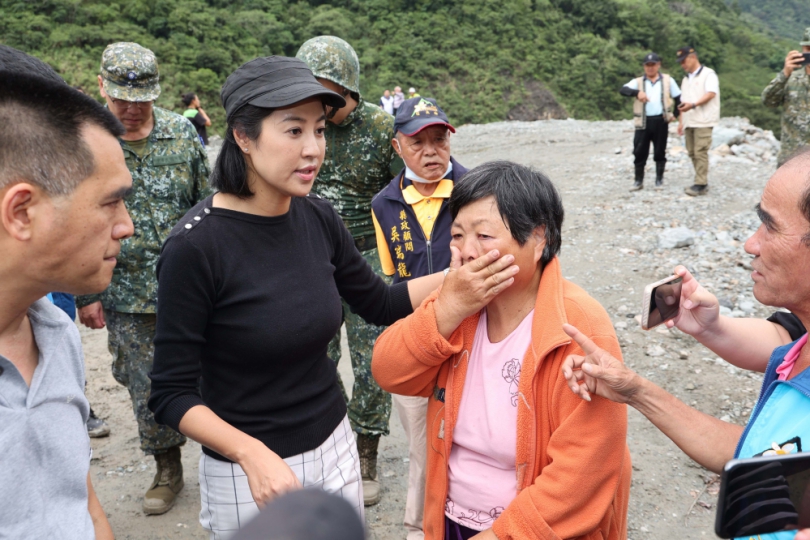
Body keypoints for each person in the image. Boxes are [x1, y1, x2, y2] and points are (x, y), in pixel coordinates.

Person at [147, 55, 512, 539]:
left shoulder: (317, 215)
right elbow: (170, 393)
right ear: (243, 136)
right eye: (293, 131)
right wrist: (249, 453)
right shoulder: (195, 246)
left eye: (319, 130)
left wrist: (460, 277)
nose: (314, 148)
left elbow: (379, 302)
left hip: (333, 444)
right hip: (248, 470)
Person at [373, 161, 631, 540]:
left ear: (538, 238)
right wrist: (447, 308)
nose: (467, 251)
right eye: (458, 235)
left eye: (485, 236)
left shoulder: (578, 325)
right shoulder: (458, 304)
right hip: (451, 517)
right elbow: (389, 370)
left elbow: (584, 470)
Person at [562, 149, 810, 540]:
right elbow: (761, 453)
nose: (750, 244)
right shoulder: (795, 351)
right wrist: (635, 389)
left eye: (770, 227)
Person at [0, 46, 134, 540]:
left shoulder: (54, 330)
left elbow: (78, 498)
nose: (127, 226)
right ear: (22, 212)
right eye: (112, 202)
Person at [75, 41, 211, 516]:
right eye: (120, 99)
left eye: (142, 99)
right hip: (126, 291)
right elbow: (77, 221)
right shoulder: (87, 142)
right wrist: (87, 293)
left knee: (219, 368)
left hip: (194, 285)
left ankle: (229, 453)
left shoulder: (180, 132)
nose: (131, 110)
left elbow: (210, 204)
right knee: (144, 383)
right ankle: (167, 467)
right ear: (101, 87)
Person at [296, 35, 404, 506]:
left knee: (374, 362)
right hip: (309, 262)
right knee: (309, 355)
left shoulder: (382, 128)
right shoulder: (297, 126)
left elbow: (402, 199)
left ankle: (366, 452)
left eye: (328, 92)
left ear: (349, 86)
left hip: (367, 263)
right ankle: (326, 437)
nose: (319, 102)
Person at [371, 96, 467, 540]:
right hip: (415, 337)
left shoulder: (475, 189)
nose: (431, 152)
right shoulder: (385, 204)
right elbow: (392, 284)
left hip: (468, 337)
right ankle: (419, 527)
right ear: (397, 147)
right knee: (421, 444)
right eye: (418, 142)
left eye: (439, 139)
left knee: (467, 438)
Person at [620, 52, 682, 191]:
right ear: (644, 66)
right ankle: (638, 180)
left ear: (658, 65)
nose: (650, 68)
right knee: (639, 150)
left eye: (653, 65)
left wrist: (676, 115)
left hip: (661, 120)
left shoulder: (667, 80)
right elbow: (623, 90)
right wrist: (637, 93)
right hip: (643, 120)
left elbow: (679, 97)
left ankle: (659, 179)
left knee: (660, 151)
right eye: (647, 65)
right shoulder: (638, 82)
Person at [675, 46, 720, 196]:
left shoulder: (708, 74)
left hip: (703, 120)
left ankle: (701, 183)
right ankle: (699, 180)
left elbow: (711, 94)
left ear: (693, 57)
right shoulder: (686, 79)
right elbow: (683, 102)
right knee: (692, 152)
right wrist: (681, 122)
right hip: (689, 120)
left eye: (684, 61)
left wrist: (693, 105)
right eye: (680, 62)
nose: (683, 65)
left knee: (700, 151)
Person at [762, 27, 810, 166]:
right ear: (802, 50)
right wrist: (785, 73)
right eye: (808, 48)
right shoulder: (789, 78)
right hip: (792, 158)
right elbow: (768, 102)